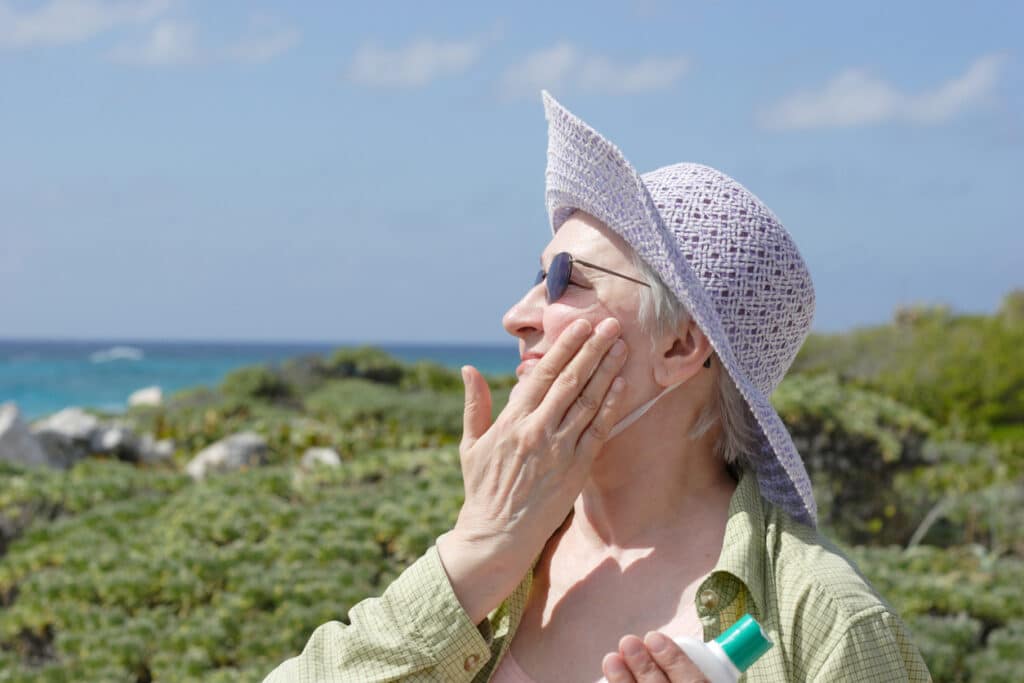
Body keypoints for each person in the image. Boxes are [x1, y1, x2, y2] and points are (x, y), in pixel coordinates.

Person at [264, 92, 930, 682]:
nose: (518, 314)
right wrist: (470, 558)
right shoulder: (502, 559)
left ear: (680, 345)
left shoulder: (826, 621)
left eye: (565, 281)